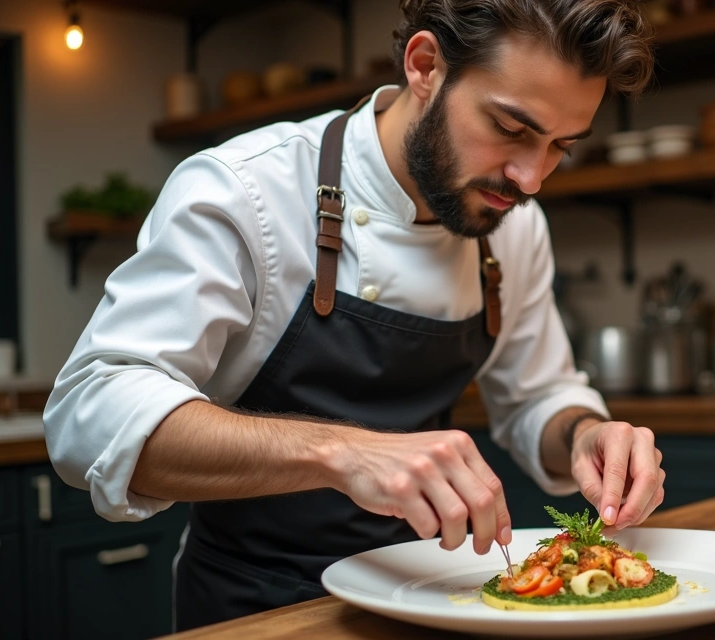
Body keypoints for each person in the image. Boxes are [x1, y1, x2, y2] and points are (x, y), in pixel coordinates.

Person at [43, 0, 663, 630]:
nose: (531, 179)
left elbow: (538, 397)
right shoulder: (245, 190)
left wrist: (585, 433)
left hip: (430, 596)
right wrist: (341, 452)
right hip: (256, 608)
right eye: (510, 128)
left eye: (561, 146)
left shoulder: (514, 226)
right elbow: (90, 415)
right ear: (425, 67)